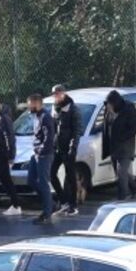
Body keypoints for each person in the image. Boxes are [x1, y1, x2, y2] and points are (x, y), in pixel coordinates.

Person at [50, 85, 83, 216]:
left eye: (58, 94)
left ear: (64, 94)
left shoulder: (73, 109)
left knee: (70, 177)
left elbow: (77, 131)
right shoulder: (54, 108)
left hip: (68, 148)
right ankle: (63, 201)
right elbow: (52, 127)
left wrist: (72, 147)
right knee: (51, 174)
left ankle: (73, 205)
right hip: (57, 147)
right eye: (54, 94)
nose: (56, 96)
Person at [101, 90, 136, 199]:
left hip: (126, 147)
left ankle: (123, 197)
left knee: (121, 172)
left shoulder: (129, 109)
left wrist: (121, 137)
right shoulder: (108, 110)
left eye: (109, 104)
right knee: (121, 174)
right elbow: (106, 126)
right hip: (113, 147)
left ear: (115, 102)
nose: (108, 106)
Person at [27, 93, 56, 224]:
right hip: (36, 153)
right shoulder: (36, 116)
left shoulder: (46, 117)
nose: (29, 106)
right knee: (31, 180)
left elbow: (49, 138)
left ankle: (47, 213)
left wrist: (41, 151)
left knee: (44, 183)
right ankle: (50, 203)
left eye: (30, 104)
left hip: (44, 154)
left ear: (37, 103)